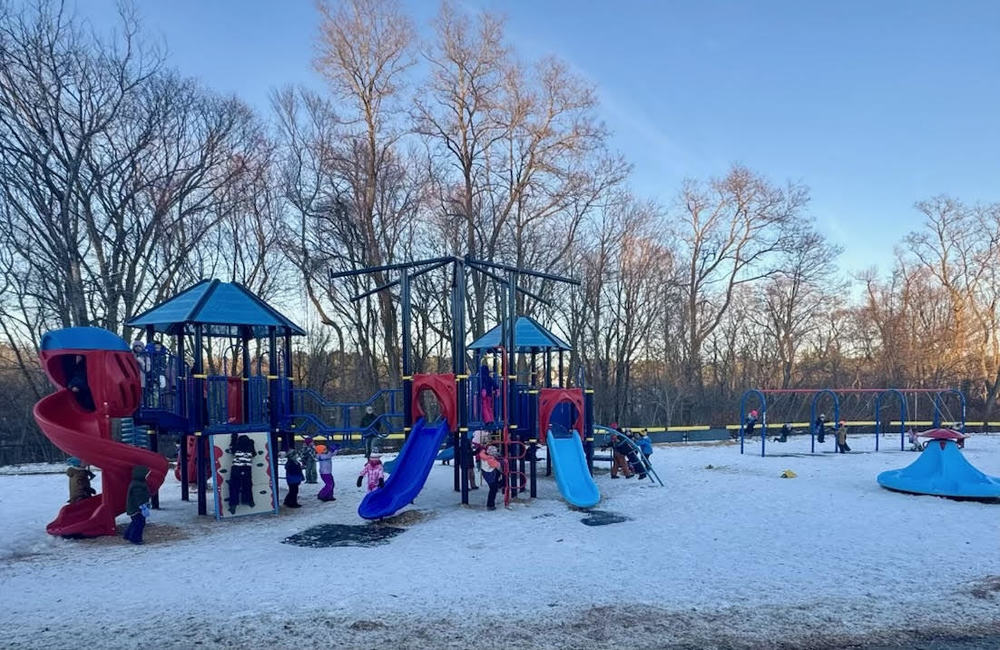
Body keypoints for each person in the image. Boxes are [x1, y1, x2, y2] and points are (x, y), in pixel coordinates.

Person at [228, 434, 256, 514]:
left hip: (236, 468)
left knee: (234, 487)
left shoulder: (236, 447)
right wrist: (252, 443)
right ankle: (249, 501)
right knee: (247, 485)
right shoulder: (250, 448)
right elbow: (254, 454)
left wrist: (233, 438)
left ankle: (233, 505)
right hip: (247, 468)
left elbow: (231, 450)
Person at [123, 465, 150, 545]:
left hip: (134, 507)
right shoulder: (137, 485)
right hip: (136, 508)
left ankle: (128, 535)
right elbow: (139, 497)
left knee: (135, 522)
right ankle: (135, 538)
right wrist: (142, 506)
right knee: (139, 523)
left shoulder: (138, 483)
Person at [478, 444, 503, 510]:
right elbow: (498, 466)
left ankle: (499, 485)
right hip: (490, 474)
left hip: (485, 473)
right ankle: (490, 505)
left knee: (494, 487)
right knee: (493, 489)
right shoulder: (490, 459)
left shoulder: (483, 454)